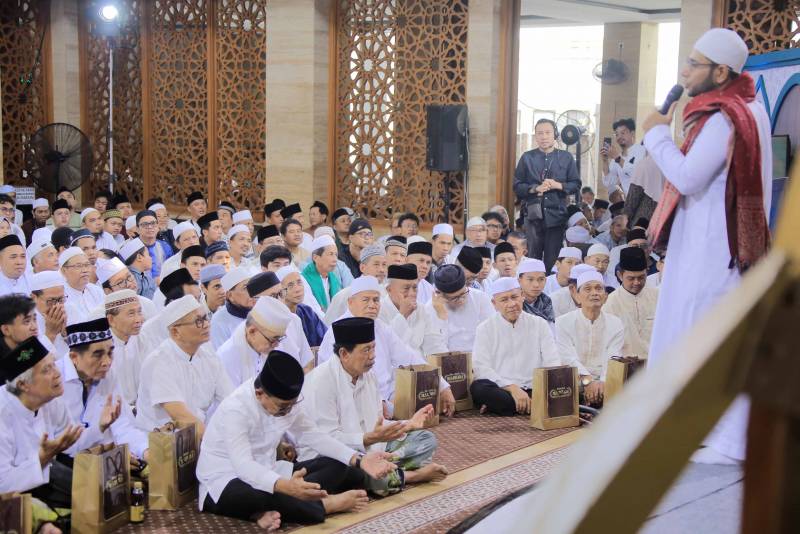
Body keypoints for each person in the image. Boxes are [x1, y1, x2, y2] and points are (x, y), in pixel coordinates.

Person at [643, 29, 772, 464]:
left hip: (713, 253)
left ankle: (718, 439)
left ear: (721, 72)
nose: (684, 72)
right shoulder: (751, 109)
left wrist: (656, 135)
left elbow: (687, 177)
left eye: (693, 64)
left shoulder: (724, 117)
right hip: (717, 250)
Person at [197, 350, 396, 528]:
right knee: (259, 494)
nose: (288, 411)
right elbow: (243, 466)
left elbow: (314, 436)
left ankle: (269, 510)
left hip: (270, 469)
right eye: (283, 407)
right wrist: (286, 487)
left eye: (292, 405)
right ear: (260, 394)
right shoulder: (236, 410)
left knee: (343, 467)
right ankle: (326, 504)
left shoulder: (287, 403)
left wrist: (359, 459)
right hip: (225, 480)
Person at [302, 317, 448, 496]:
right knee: (347, 468)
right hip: (334, 456)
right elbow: (327, 440)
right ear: (344, 354)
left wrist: (408, 424)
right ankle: (412, 476)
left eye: (373, 347)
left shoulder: (369, 376)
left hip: (370, 448)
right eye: (366, 350)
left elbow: (378, 425)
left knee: (426, 439)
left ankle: (384, 471)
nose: (372, 355)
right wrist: (368, 439)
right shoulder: (321, 382)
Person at [316, 276, 456, 416]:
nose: (372, 305)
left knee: (429, 403)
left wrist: (443, 386)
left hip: (387, 397)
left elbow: (409, 358)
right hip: (354, 402)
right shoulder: (337, 332)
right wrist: (377, 401)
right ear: (350, 302)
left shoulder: (380, 327)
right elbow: (339, 381)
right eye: (366, 300)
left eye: (376, 300)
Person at [0, 337, 87, 511]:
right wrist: (43, 457)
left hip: (43, 473)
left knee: (91, 490)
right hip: (11, 496)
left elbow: (73, 440)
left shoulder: (51, 398)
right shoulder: (3, 412)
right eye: (47, 370)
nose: (57, 373)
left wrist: (101, 428)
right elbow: (3, 485)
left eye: (54, 364)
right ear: (23, 384)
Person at [136, 295, 233, 433]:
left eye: (205, 318)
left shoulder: (208, 353)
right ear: (175, 332)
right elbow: (181, 416)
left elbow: (229, 399)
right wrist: (212, 442)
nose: (206, 325)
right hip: (160, 440)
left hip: (198, 433)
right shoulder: (158, 362)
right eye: (198, 321)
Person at [58, 318, 147, 462]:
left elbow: (123, 425)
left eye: (110, 353)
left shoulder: (108, 374)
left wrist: (145, 450)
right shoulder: (54, 380)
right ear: (74, 357)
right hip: (66, 463)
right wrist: (101, 434)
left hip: (105, 458)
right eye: (98, 354)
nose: (107, 362)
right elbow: (64, 446)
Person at [470, 278, 559, 415]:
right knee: (478, 388)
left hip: (536, 388)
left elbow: (552, 360)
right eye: (504, 300)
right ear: (494, 304)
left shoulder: (539, 323)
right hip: (504, 389)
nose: (512, 304)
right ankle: (531, 405)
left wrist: (543, 387)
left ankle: (514, 406)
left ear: (522, 296)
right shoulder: (485, 328)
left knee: (565, 385)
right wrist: (512, 388)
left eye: (514, 297)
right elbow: (481, 368)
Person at [514, 119, 581, 270]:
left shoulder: (566, 157)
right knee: (533, 259)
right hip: (532, 216)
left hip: (556, 216)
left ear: (555, 134)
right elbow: (517, 186)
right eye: (540, 133)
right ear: (535, 136)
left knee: (553, 260)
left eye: (547, 133)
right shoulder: (527, 157)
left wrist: (558, 185)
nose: (544, 137)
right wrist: (535, 188)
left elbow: (576, 184)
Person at [556, 270, 624, 406]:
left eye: (599, 289)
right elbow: (567, 357)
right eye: (588, 289)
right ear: (577, 296)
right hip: (574, 382)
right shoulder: (563, 322)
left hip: (605, 383)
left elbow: (613, 358)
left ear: (605, 296)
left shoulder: (615, 323)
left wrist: (603, 383)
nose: (594, 293)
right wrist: (588, 382)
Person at [218, 295, 294, 387]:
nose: (277, 345)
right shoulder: (227, 358)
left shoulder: (270, 344)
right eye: (273, 339)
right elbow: (232, 395)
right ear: (252, 331)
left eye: (279, 339)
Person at [380, 264, 448, 356]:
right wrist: (402, 315)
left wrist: (446, 360)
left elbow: (434, 344)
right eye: (406, 288)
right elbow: (386, 347)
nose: (412, 293)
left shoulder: (421, 309)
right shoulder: (379, 310)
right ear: (389, 290)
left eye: (415, 288)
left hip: (419, 363)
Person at [603, 247, 658, 360]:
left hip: (656, 362)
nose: (637, 282)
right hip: (625, 365)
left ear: (647, 272)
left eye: (641, 277)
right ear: (620, 275)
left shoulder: (658, 297)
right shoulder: (611, 303)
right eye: (631, 278)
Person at [428, 264, 494, 352]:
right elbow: (435, 348)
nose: (461, 300)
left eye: (463, 294)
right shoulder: (432, 308)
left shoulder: (480, 298)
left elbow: (492, 333)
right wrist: (441, 316)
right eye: (454, 298)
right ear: (440, 294)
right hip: (449, 358)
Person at [324, 244, 388, 325]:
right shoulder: (345, 295)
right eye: (376, 264)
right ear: (362, 268)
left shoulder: (386, 294)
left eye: (384, 265)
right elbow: (328, 326)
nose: (382, 270)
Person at [104, 290, 146, 406]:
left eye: (139, 312)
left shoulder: (142, 339)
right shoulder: (101, 349)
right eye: (131, 314)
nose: (138, 319)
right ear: (111, 320)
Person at [277, 265, 328, 349]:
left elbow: (326, 339)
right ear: (280, 291)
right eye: (290, 285)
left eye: (299, 282)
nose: (297, 289)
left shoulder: (307, 312)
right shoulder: (278, 318)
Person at [210, 265, 255, 349]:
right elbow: (221, 353)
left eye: (252, 286)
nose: (252, 291)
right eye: (245, 288)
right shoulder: (218, 321)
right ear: (230, 295)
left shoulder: (259, 308)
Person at [601, 118, 646, 196]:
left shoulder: (642, 151)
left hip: (645, 199)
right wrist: (605, 161)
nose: (619, 137)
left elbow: (638, 175)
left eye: (623, 133)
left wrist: (617, 158)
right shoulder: (616, 158)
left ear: (632, 133)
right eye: (617, 134)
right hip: (629, 200)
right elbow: (609, 182)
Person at [59, 247, 103, 323]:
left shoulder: (96, 290)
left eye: (87, 265)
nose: (85, 270)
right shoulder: (61, 297)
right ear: (64, 271)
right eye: (78, 266)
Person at [29, 272, 69, 355]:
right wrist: (51, 333)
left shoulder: (71, 310)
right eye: (51, 301)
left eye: (61, 299)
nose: (57, 306)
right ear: (33, 298)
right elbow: (28, 358)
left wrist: (66, 334)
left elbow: (83, 351)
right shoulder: (26, 322)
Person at [302, 235, 341, 312]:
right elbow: (313, 311)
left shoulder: (333, 277)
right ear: (315, 257)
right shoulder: (304, 279)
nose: (335, 259)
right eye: (330, 254)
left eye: (336, 255)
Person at [136, 210, 173, 281]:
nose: (150, 227)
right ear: (137, 229)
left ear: (158, 226)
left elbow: (170, 269)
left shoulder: (165, 246)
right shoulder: (131, 249)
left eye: (153, 223)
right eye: (145, 224)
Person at [517, 258, 554, 325]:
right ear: (519, 281)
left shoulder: (547, 302)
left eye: (541, 279)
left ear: (545, 280)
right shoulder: (514, 304)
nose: (536, 285)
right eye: (530, 279)